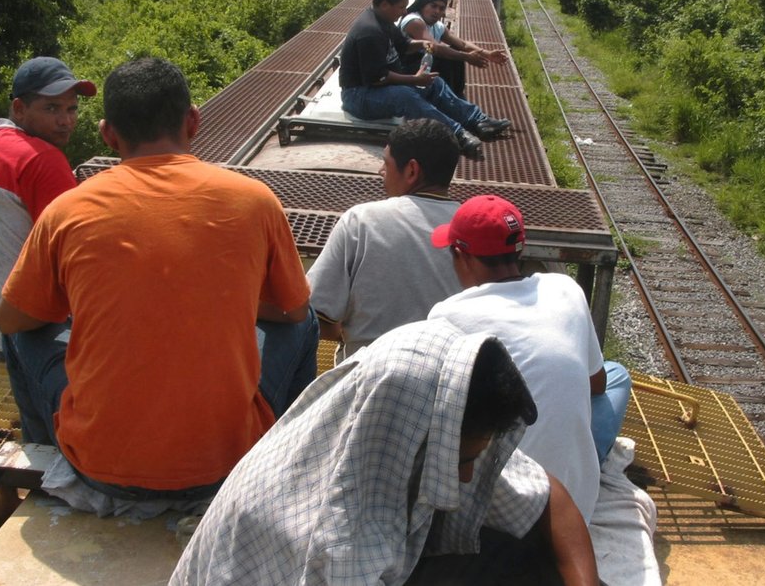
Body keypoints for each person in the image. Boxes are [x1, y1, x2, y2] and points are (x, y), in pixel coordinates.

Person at [0, 57, 318, 508]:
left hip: (99, 467)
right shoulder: (256, 201)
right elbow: (295, 310)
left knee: (17, 335)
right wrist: (235, 299)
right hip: (224, 465)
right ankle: (281, 460)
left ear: (108, 134)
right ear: (193, 122)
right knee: (305, 324)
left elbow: (11, 318)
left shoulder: (68, 211)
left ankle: (46, 455)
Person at [170, 318, 599, 586]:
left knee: (527, 549)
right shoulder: (329, 545)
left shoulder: (387, 433)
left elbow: (549, 499)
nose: (467, 478)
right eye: (463, 463)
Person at [429, 194, 632, 524]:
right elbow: (597, 384)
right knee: (617, 374)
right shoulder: (565, 289)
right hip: (577, 501)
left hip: (500, 506)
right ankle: (591, 459)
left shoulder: (446, 315)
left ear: (460, 254)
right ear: (520, 250)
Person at [0, 56, 94, 359]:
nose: (66, 120)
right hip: (11, 341)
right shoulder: (43, 161)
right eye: (52, 108)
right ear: (20, 109)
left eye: (71, 108)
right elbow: (77, 255)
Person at [307, 118, 463, 361]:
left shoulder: (361, 221)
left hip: (367, 381)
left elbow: (314, 315)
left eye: (385, 163)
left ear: (412, 170)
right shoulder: (472, 229)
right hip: (448, 379)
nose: (381, 171)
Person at [338, 0, 510, 160]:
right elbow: (377, 78)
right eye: (401, 7)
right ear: (385, 4)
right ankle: (458, 135)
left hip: (377, 87)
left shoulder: (384, 21)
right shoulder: (369, 32)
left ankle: (478, 121)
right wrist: (415, 80)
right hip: (359, 95)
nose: (404, 11)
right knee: (405, 96)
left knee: (434, 82)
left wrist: (429, 46)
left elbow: (405, 44)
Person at [399, 0, 509, 98]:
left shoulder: (437, 27)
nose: (437, 11)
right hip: (406, 70)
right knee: (445, 56)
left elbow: (462, 44)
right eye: (433, 6)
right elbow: (434, 48)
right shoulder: (414, 21)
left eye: (441, 8)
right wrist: (467, 57)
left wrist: (487, 54)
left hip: (423, 66)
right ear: (422, 5)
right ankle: (451, 97)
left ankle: (456, 95)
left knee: (455, 50)